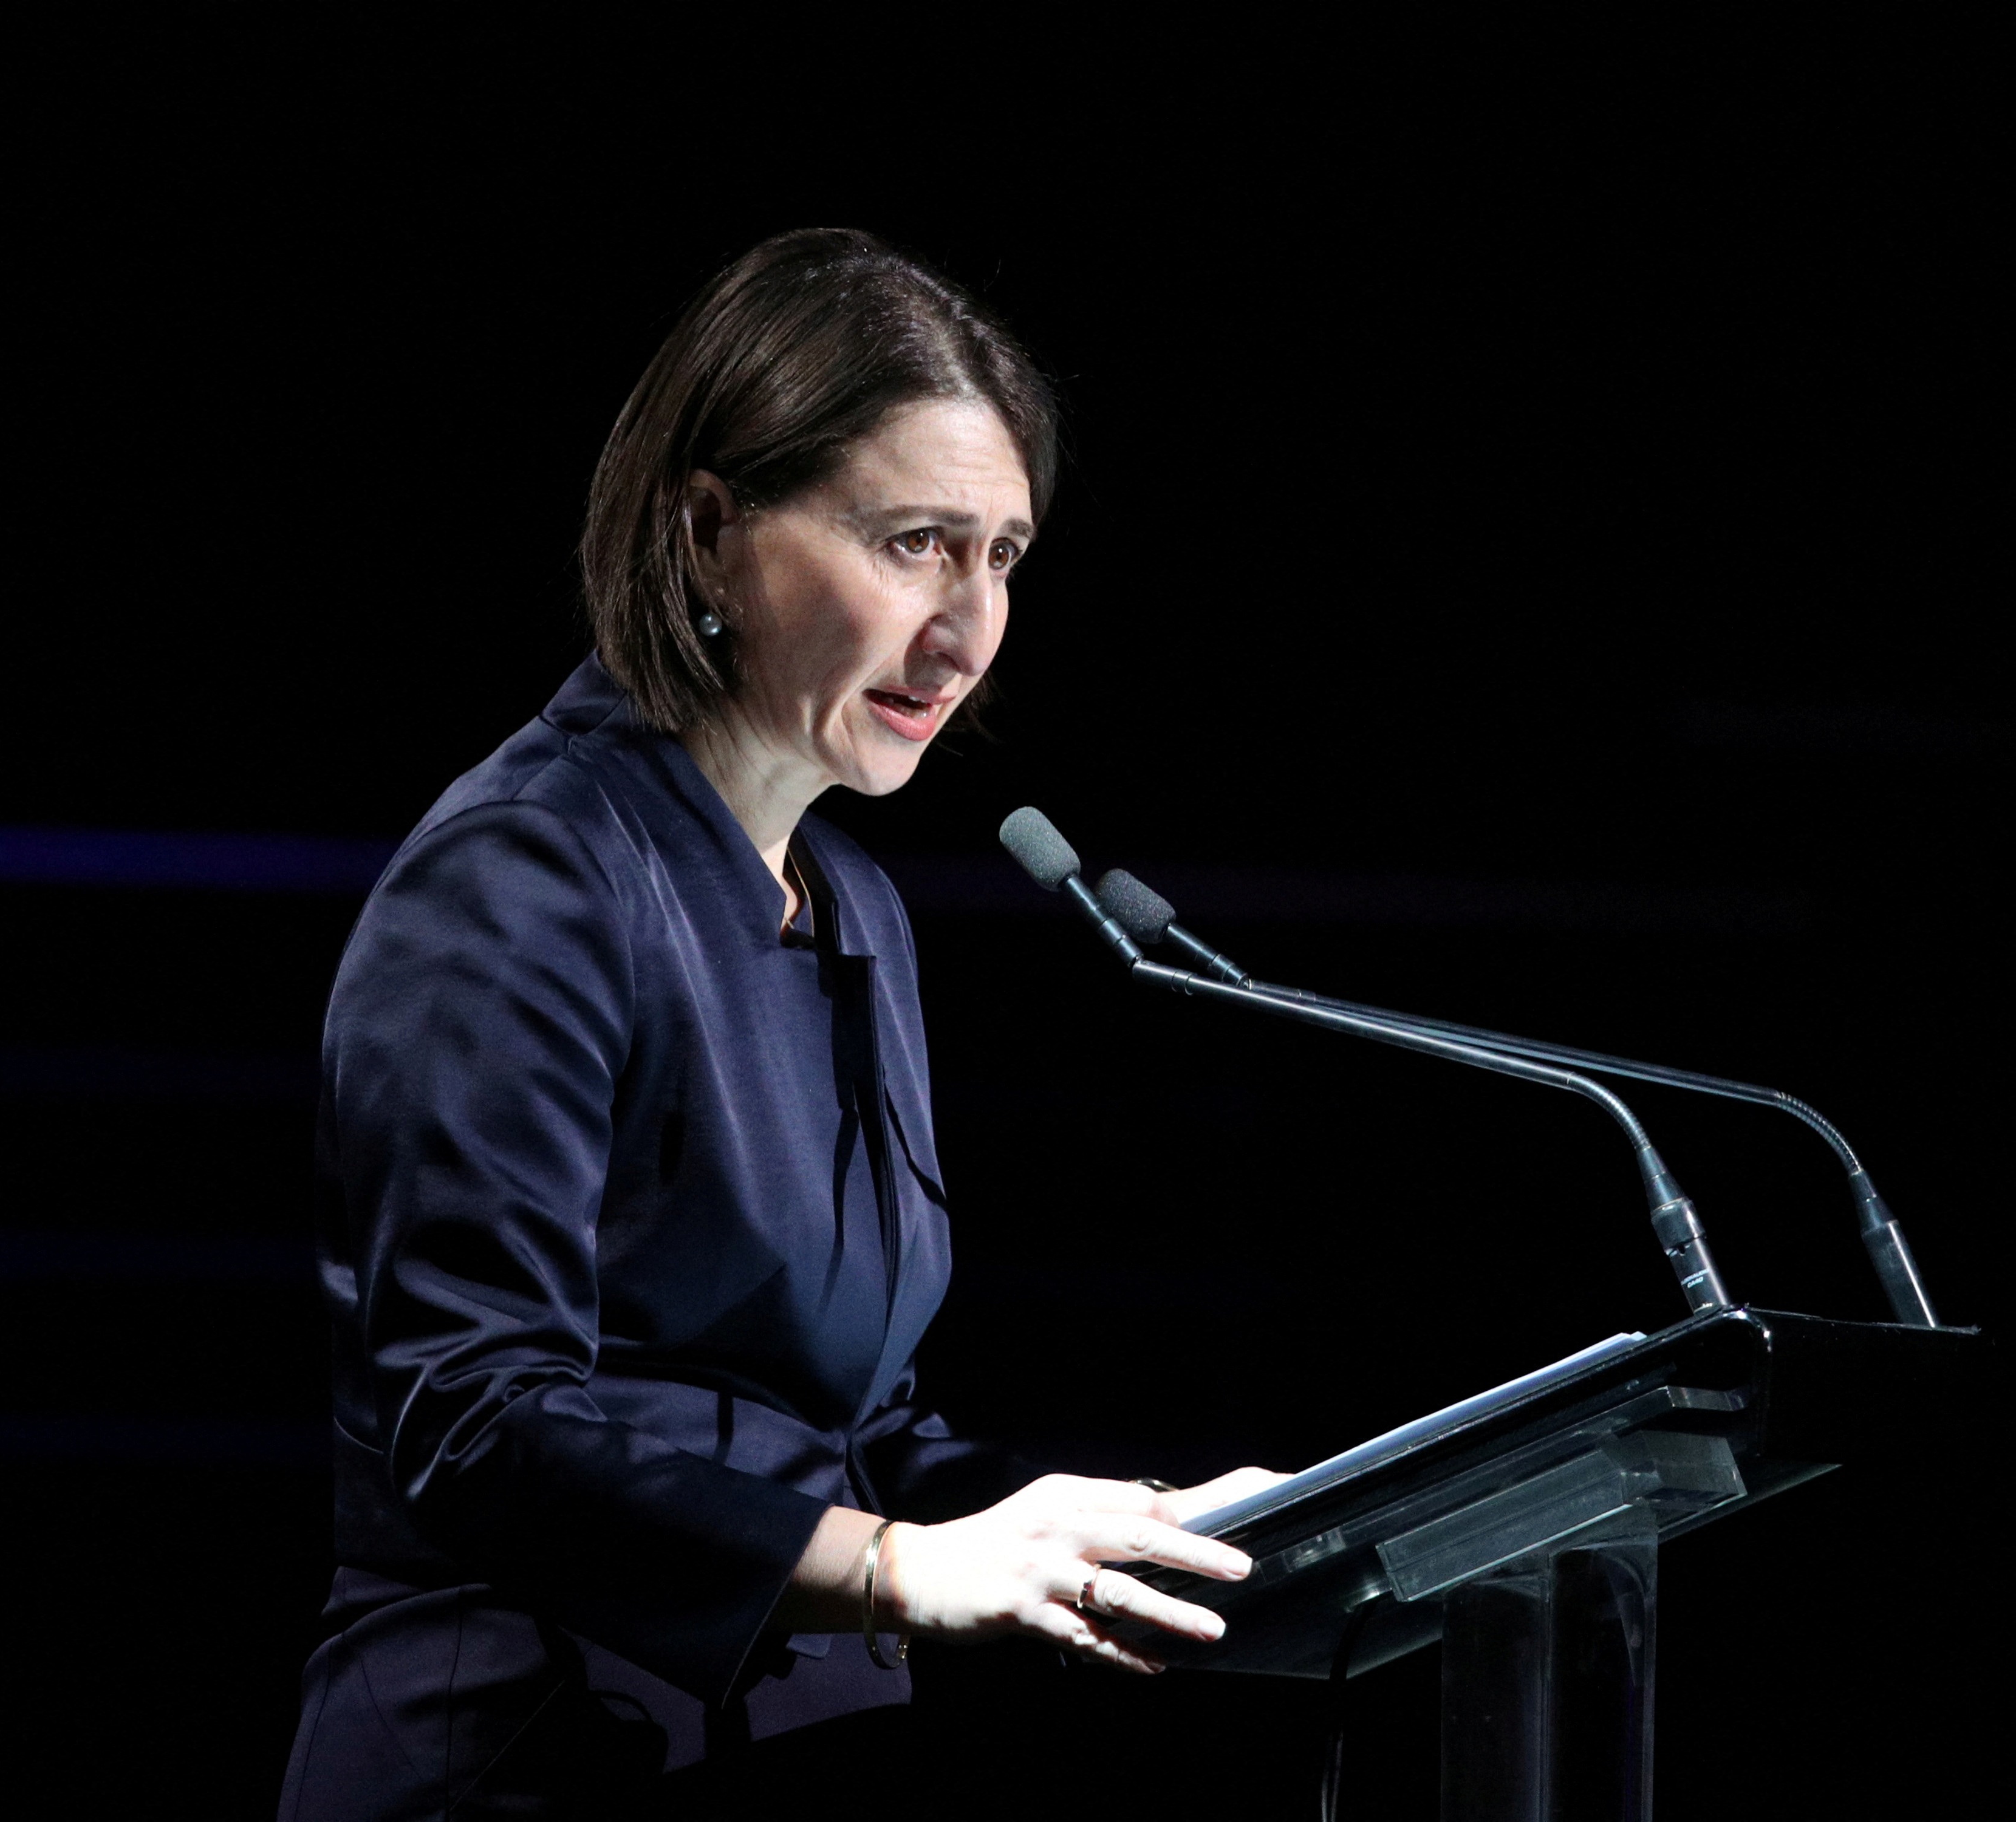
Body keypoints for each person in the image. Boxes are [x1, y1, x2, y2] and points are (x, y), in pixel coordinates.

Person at [278, 228, 1282, 1819]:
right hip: (517, 1757)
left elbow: (853, 1431)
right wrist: (892, 1567)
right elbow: (473, 1424)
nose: (966, 633)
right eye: (912, 545)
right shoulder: (522, 877)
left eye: (1001, 557)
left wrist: (1123, 1528)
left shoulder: (857, 906)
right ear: (703, 532)